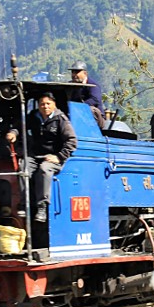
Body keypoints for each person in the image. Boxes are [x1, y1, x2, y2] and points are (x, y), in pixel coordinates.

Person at [25, 92, 77, 222]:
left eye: (48, 103)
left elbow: (72, 141)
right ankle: (23, 202)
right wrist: (13, 132)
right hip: (35, 156)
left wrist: (59, 157)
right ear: (38, 105)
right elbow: (19, 126)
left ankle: (42, 206)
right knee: (23, 168)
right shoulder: (32, 117)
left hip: (53, 157)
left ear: (54, 104)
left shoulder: (61, 120)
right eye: (42, 104)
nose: (45, 106)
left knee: (44, 169)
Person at [69, 61, 105, 128]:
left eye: (77, 72)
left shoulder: (93, 85)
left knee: (91, 110)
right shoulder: (71, 86)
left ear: (85, 73)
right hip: (76, 116)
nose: (74, 75)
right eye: (72, 72)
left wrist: (79, 107)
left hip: (97, 119)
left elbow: (95, 99)